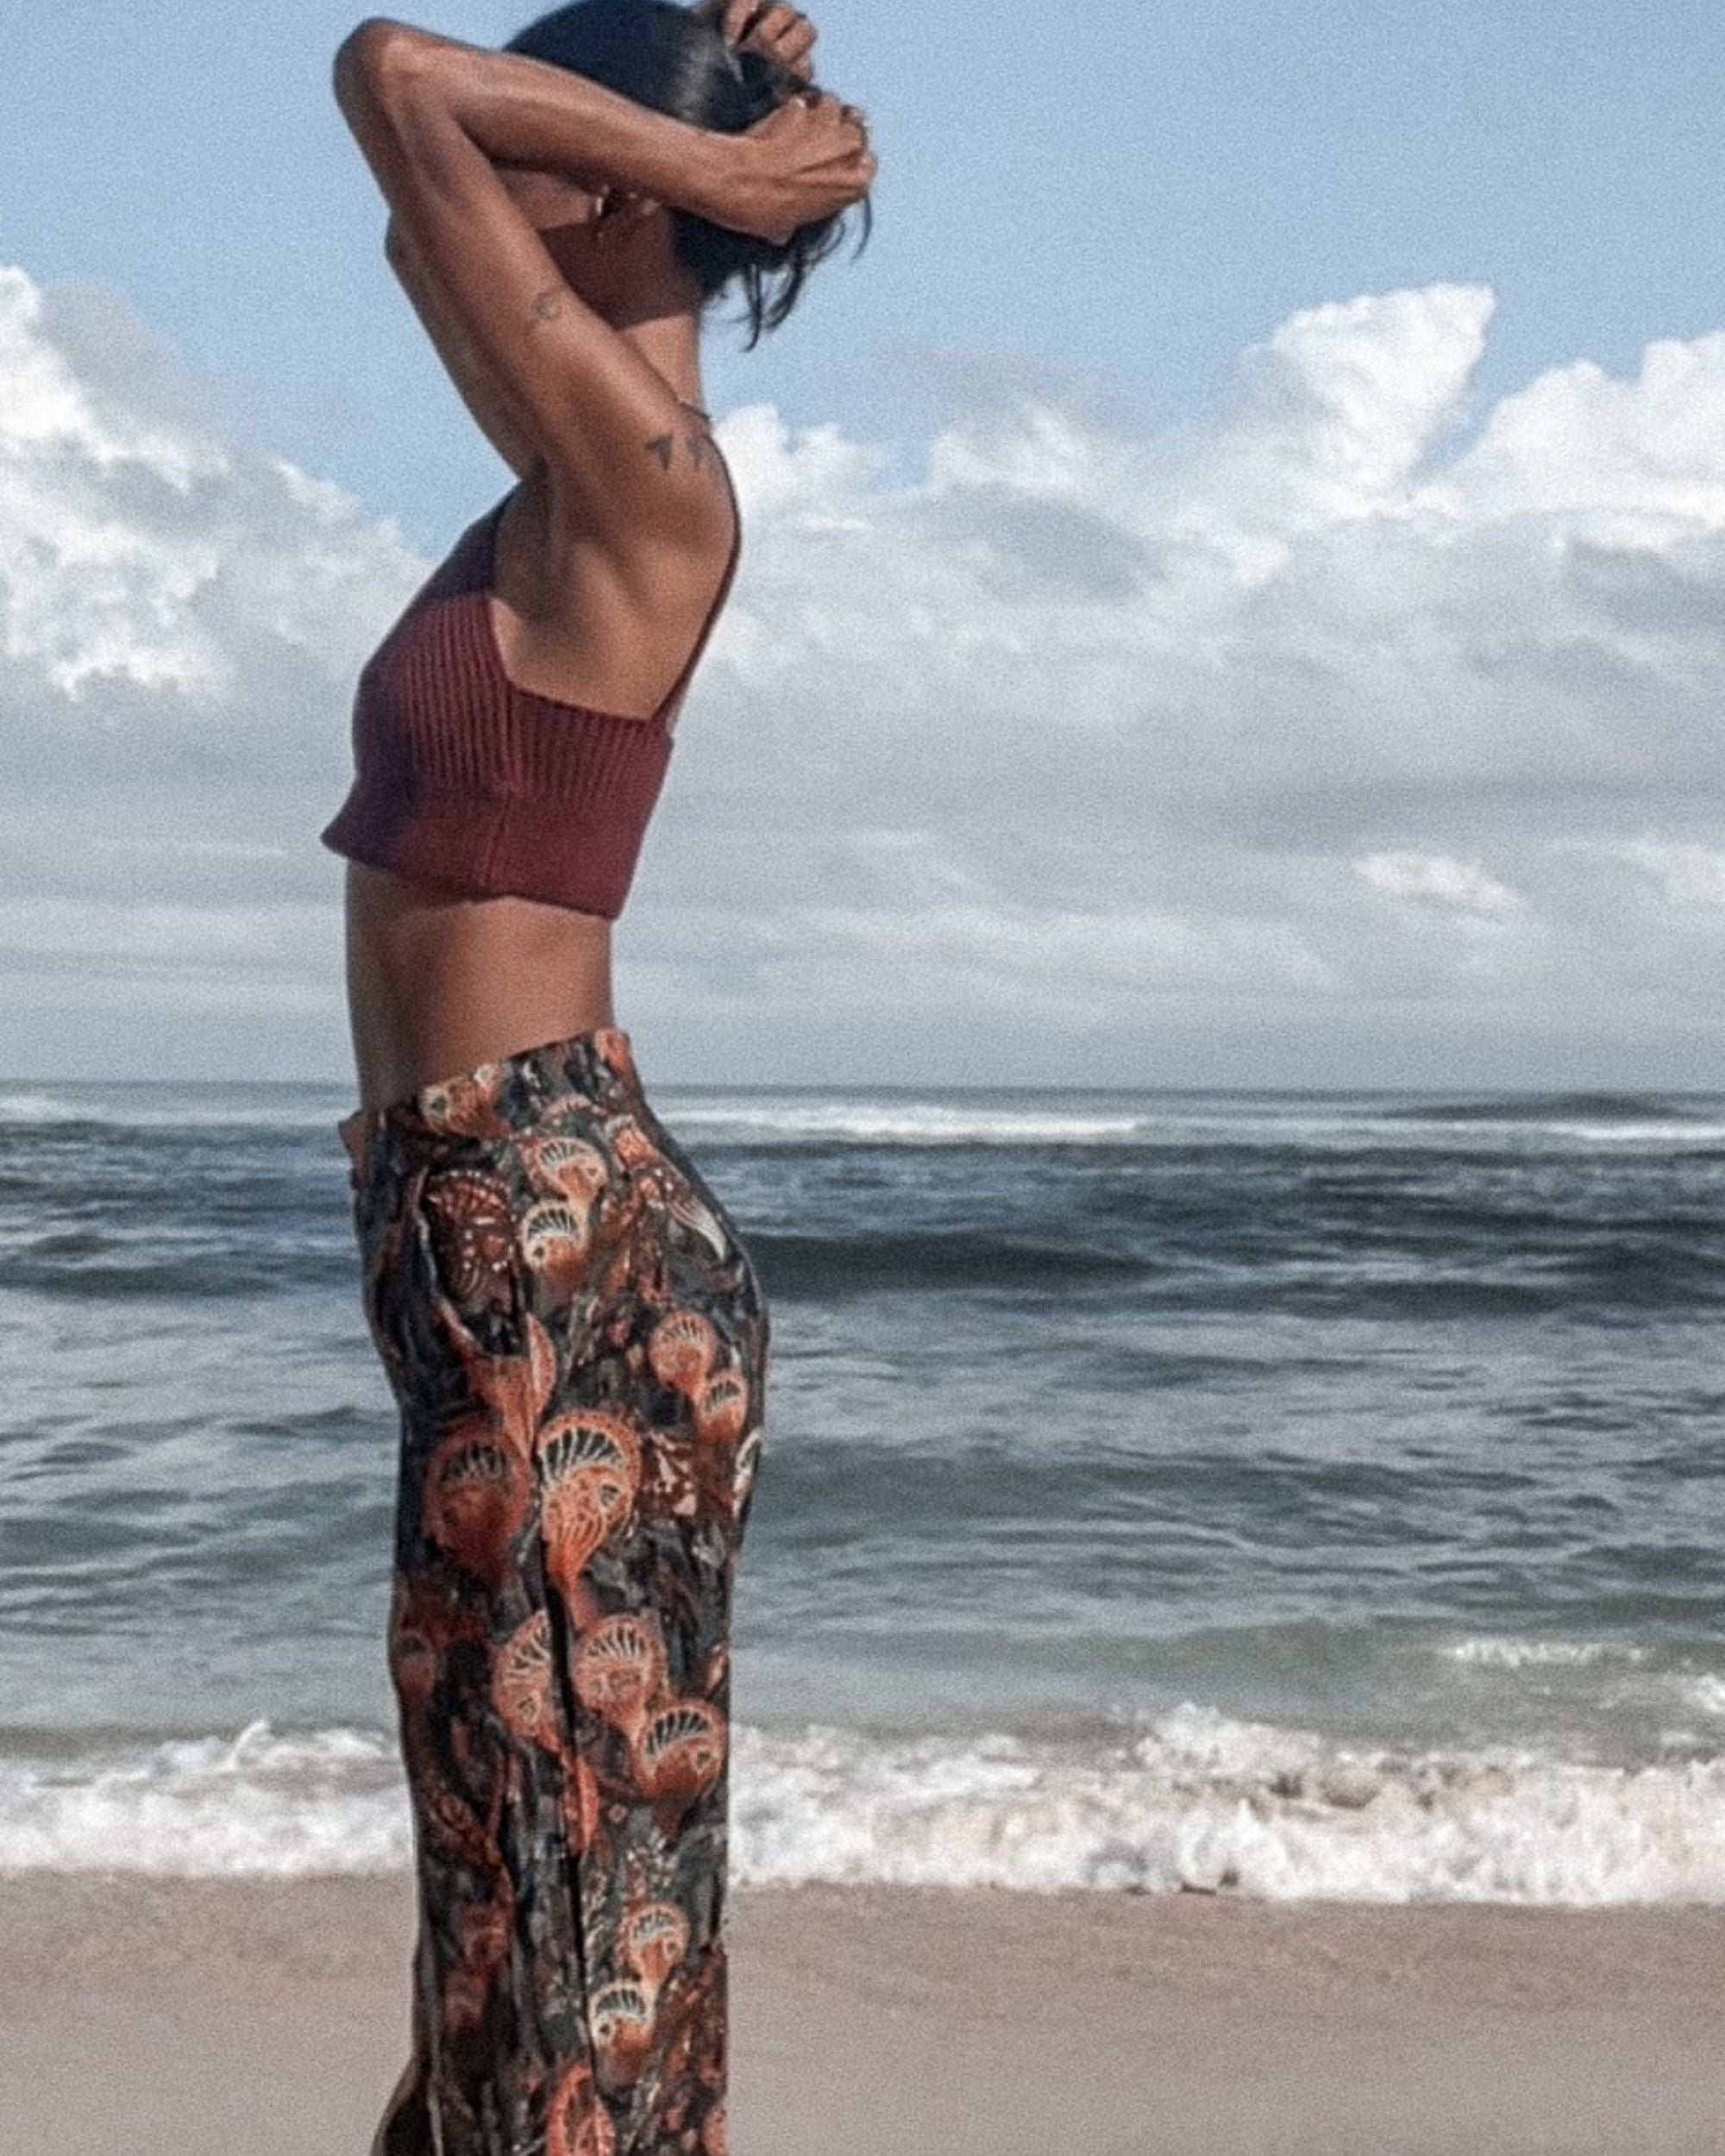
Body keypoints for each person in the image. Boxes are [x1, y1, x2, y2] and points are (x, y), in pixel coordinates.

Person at [319, 5, 874, 2150]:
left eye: (570, 135)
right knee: (511, 1870)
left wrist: (726, 171)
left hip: (557, 1255)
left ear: (623, 191)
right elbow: (411, 188)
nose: (490, 175)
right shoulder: (568, 454)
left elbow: (393, 73)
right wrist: (691, 106)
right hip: (482, 1245)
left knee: (567, 1903)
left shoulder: (649, 489)